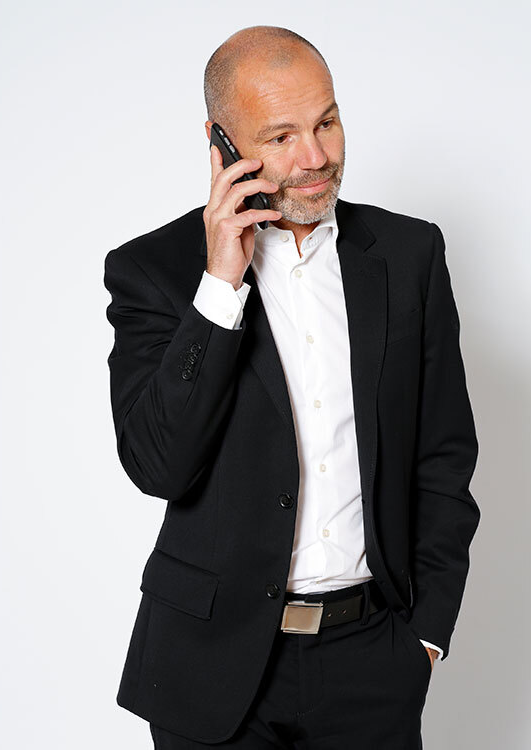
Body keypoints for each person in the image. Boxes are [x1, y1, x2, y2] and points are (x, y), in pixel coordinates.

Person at [104, 25, 480, 749]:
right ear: (221, 144)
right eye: (280, 137)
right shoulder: (154, 270)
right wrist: (220, 285)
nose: (315, 158)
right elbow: (158, 466)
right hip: (209, 667)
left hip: (372, 657)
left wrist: (426, 634)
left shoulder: (409, 254)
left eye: (326, 123)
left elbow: (442, 455)